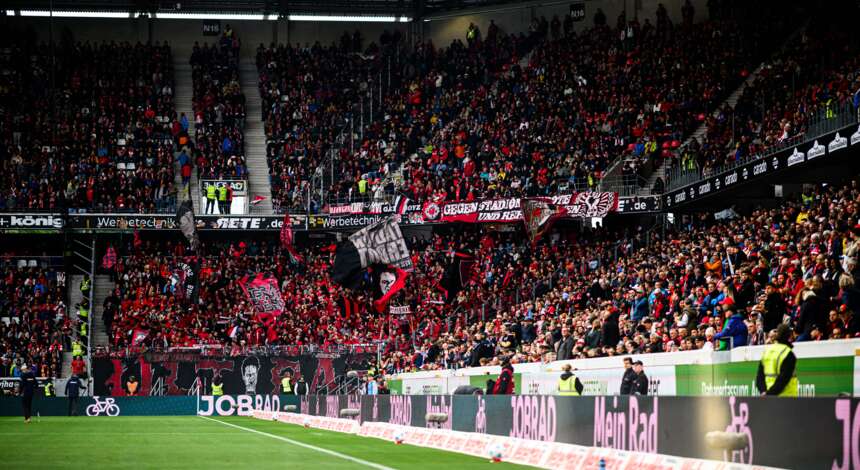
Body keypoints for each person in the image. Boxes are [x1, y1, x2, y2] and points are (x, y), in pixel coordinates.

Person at [756, 324, 798, 396]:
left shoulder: (767, 351)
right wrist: (770, 394)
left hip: (769, 398)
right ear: (789, 336)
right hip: (787, 398)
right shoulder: (788, 353)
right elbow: (783, 379)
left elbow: (759, 377)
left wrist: (764, 392)